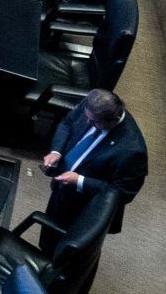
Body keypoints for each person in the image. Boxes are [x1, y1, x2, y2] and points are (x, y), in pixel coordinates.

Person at [41, 88, 147, 235]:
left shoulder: (133, 151)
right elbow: (67, 122)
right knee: (49, 232)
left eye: (94, 122)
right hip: (63, 189)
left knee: (69, 246)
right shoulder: (92, 105)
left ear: (113, 120)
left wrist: (80, 181)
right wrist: (56, 151)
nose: (87, 122)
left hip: (85, 205)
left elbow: (122, 193)